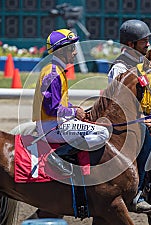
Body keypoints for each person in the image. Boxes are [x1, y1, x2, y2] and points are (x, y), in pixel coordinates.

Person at [107, 19, 151, 214]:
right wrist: (144, 118)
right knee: (148, 144)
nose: (148, 45)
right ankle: (137, 195)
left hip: (145, 115)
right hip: (126, 121)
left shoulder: (142, 62)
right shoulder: (119, 68)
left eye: (148, 40)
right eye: (144, 41)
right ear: (130, 45)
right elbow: (121, 104)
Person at [33, 29, 110, 176]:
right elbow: (51, 109)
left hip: (54, 124)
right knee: (103, 133)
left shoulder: (55, 70)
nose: (75, 52)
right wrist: (74, 112)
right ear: (62, 51)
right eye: (72, 48)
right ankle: (59, 157)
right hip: (51, 127)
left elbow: (58, 103)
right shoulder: (53, 74)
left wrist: (74, 108)